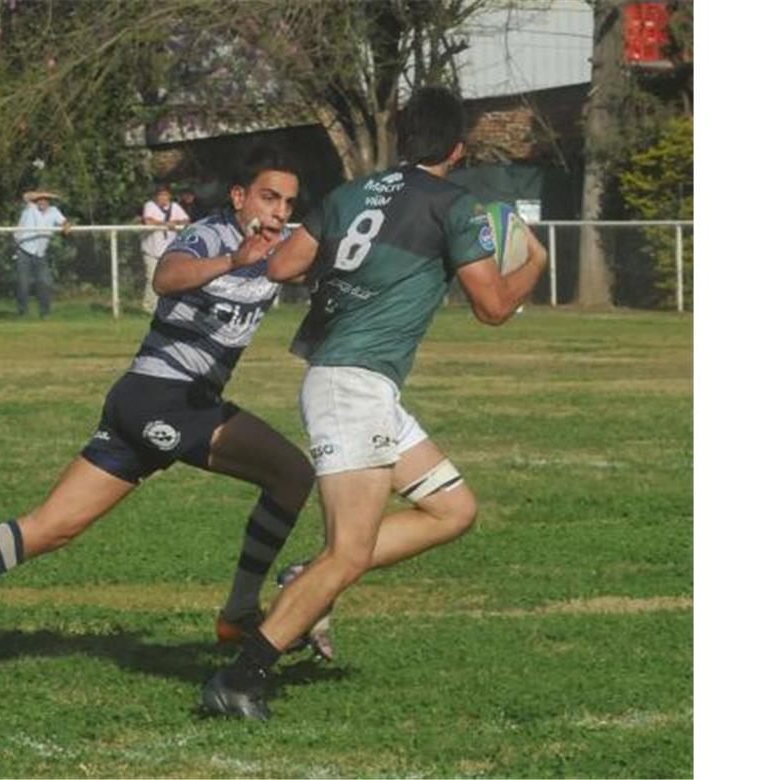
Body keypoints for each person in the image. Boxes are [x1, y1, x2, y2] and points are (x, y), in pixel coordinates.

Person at [0, 147, 317, 680]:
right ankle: (239, 614)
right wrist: (232, 261)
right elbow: (167, 277)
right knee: (291, 473)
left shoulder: (281, 250)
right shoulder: (210, 236)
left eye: (288, 203)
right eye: (268, 197)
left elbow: (317, 269)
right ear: (239, 197)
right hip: (163, 395)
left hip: (169, 401)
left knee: (50, 527)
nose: (277, 212)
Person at [201, 87, 551, 720]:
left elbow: (283, 269)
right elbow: (495, 307)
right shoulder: (453, 204)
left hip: (360, 384)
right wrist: (537, 261)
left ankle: (306, 577)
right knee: (351, 553)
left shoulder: (352, 193)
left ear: (401, 136)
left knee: (453, 509)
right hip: (351, 386)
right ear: (457, 148)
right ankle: (242, 675)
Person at [12, 190, 72, 317]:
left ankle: (45, 313)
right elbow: (26, 196)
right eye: (39, 199)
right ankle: (22, 312)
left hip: (40, 253)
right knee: (23, 283)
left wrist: (66, 226)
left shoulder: (54, 211)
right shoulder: (30, 207)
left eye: (44, 200)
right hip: (24, 251)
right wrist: (45, 194)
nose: (41, 201)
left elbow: (64, 222)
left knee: (44, 282)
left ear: (48, 202)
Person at [139, 184, 191, 312]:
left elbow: (186, 220)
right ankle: (149, 307)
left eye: (165, 195)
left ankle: (168, 307)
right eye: (160, 195)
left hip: (169, 251)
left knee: (171, 279)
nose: (163, 197)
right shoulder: (150, 206)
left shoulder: (175, 207)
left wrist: (176, 223)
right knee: (151, 278)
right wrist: (165, 224)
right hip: (152, 250)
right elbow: (148, 221)